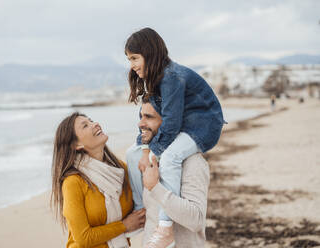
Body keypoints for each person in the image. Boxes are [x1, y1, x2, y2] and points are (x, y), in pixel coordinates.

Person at [125, 27, 224, 247]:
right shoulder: (157, 80)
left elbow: (170, 123)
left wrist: (153, 155)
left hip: (204, 126)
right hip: (187, 123)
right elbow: (149, 119)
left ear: (149, 54)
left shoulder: (171, 77)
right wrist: (144, 150)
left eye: (134, 58)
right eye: (128, 59)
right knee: (132, 153)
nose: (131, 64)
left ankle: (166, 226)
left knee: (170, 159)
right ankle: (141, 208)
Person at [51, 112, 146, 248]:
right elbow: (83, 238)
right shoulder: (73, 182)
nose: (95, 124)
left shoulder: (119, 170)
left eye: (91, 121)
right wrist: (124, 226)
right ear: (76, 145)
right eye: (85, 126)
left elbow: (141, 205)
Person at [126, 100, 210, 247]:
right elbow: (147, 213)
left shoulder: (193, 163)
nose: (141, 124)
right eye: (141, 117)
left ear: (171, 122)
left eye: (149, 117)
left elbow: (196, 221)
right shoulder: (148, 160)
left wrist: (155, 187)